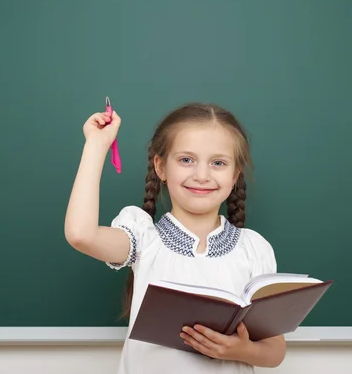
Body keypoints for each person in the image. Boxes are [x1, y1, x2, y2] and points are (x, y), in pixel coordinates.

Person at [64, 102, 286, 373]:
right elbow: (81, 235)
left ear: (235, 174)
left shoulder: (253, 248)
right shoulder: (144, 238)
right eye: (186, 160)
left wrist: (241, 350)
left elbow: (275, 351)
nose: (201, 175)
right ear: (160, 167)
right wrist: (97, 146)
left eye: (218, 163)